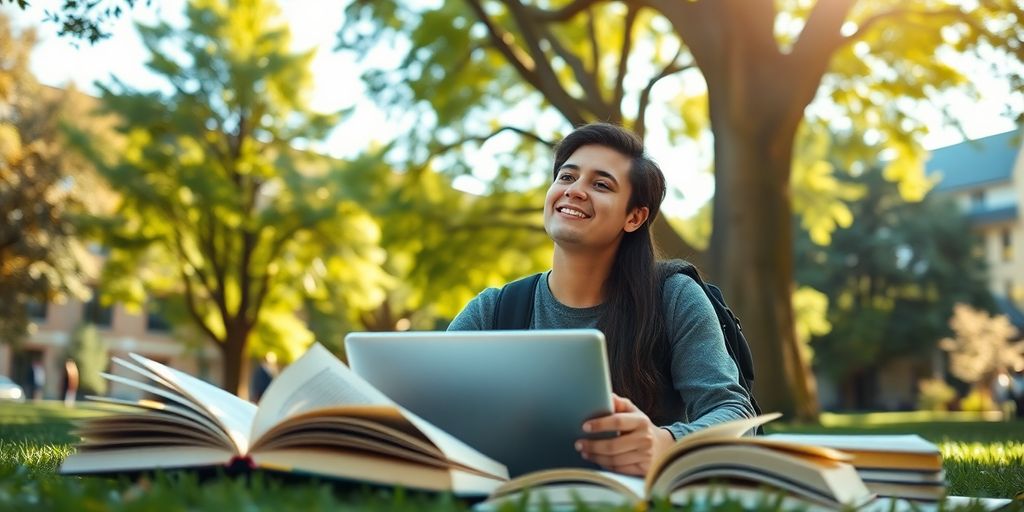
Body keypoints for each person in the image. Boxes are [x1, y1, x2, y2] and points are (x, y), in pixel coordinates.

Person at [447, 122, 754, 476]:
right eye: (566, 177)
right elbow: (425, 401)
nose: (575, 191)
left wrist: (664, 443)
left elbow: (737, 414)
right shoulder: (494, 309)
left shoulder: (673, 298)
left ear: (634, 217)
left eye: (601, 184)